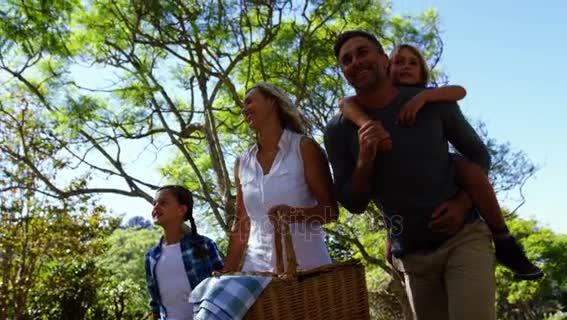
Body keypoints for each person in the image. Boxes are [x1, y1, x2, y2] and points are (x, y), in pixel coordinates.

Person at [325, 30, 494, 319]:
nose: (356, 61)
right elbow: (352, 202)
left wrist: (462, 204)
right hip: (412, 257)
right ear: (344, 73)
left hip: (464, 237)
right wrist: (365, 160)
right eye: (347, 60)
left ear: (383, 59)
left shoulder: (430, 102)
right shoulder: (338, 130)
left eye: (363, 52)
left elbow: (479, 156)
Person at [339, 43, 542, 280]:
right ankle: (395, 239)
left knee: (470, 170)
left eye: (413, 63)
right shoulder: (368, 105)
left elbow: (460, 91)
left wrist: (425, 96)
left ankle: (503, 239)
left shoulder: (433, 100)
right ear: (386, 66)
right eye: (399, 61)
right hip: (403, 214)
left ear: (423, 72)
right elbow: (345, 103)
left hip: (442, 166)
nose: (405, 66)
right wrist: (367, 125)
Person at [222, 82, 338, 273]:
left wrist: (294, 214)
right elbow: (242, 223)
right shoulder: (242, 163)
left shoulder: (304, 147)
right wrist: (226, 275)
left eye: (250, 102)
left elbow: (330, 211)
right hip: (259, 275)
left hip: (309, 272)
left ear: (272, 102)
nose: (244, 110)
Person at [144, 185, 224, 320]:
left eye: (163, 203)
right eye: (154, 203)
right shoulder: (151, 256)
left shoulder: (205, 245)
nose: (155, 208)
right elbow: (155, 303)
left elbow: (222, 286)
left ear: (181, 209)